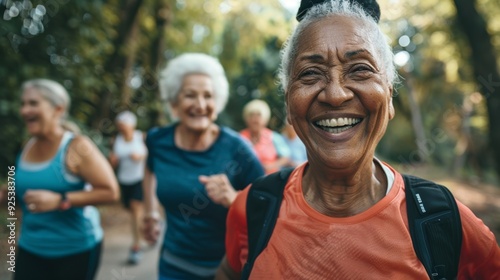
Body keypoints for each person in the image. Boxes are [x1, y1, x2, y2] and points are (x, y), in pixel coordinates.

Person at [216, 0, 500, 279]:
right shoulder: (253, 208)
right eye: (310, 73)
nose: (335, 94)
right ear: (289, 106)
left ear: (389, 97)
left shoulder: (444, 222)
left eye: (360, 69)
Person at [142, 53, 265, 280]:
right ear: (174, 103)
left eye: (208, 96)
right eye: (190, 95)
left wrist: (234, 199)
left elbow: (268, 207)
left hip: (226, 271)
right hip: (172, 266)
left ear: (216, 104)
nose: (200, 105)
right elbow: (149, 169)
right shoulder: (158, 141)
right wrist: (150, 211)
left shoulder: (238, 149)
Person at [14, 79, 120, 280]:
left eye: (33, 103)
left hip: (75, 250)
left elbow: (111, 191)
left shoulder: (76, 147)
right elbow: (19, 194)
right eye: (23, 103)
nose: (25, 110)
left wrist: (61, 200)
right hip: (30, 246)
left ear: (58, 109)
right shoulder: (26, 146)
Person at [108, 110, 147, 264]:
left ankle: (136, 247)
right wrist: (113, 160)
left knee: (135, 208)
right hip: (124, 180)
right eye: (119, 126)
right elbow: (113, 161)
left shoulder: (141, 137)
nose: (121, 128)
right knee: (131, 211)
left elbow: (150, 155)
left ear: (131, 125)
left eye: (123, 125)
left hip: (139, 179)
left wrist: (141, 156)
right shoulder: (116, 140)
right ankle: (149, 224)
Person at [240, 99, 291, 174]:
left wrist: (272, 166)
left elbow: (286, 157)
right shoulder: (240, 137)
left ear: (265, 118)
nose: (254, 119)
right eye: (251, 115)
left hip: (270, 179)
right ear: (246, 118)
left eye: (258, 115)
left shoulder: (273, 137)